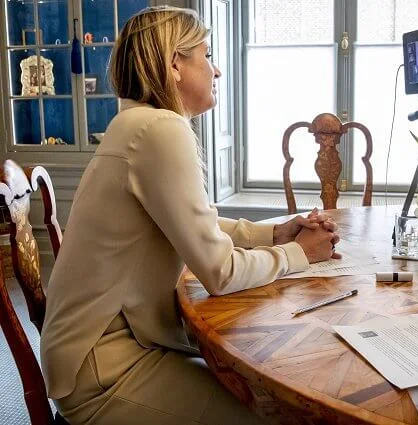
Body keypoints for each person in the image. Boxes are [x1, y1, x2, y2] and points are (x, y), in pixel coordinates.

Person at [40, 6, 340, 425]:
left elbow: (197, 222)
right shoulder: (158, 130)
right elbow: (220, 273)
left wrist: (277, 234)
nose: (216, 71)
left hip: (105, 346)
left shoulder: (138, 125)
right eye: (207, 54)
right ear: (174, 65)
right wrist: (299, 254)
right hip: (104, 369)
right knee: (274, 414)